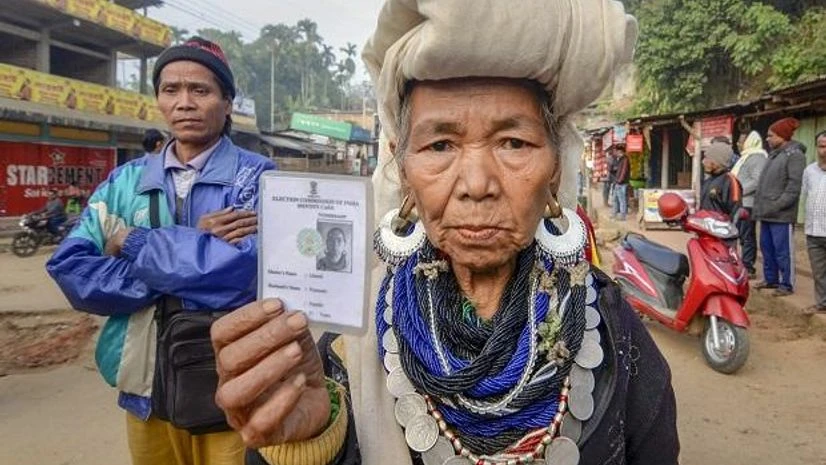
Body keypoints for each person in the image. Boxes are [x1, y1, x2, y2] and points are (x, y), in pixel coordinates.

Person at [211, 2, 679, 465]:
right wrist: (313, 440)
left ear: (554, 168)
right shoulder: (349, 339)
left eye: (513, 143)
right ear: (403, 168)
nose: (476, 185)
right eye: (440, 145)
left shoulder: (609, 323)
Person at [46, 37, 275, 465]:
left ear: (227, 103)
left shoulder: (257, 178)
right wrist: (185, 255)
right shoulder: (124, 182)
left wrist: (133, 243)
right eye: (171, 90)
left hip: (232, 386)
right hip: (143, 390)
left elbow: (245, 270)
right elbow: (71, 268)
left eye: (200, 90)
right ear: (158, 100)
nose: (184, 102)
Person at [753, 117, 807, 297]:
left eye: (771, 136)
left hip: (781, 215)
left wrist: (777, 205)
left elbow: (793, 188)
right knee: (767, 248)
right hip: (767, 213)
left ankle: (786, 283)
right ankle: (771, 279)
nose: (767, 139)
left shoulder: (795, 156)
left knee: (783, 251)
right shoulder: (774, 154)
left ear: (782, 136)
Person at [731, 131, 768, 278]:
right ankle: (740, 264)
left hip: (747, 203)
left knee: (747, 237)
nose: (738, 144)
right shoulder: (746, 157)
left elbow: (757, 181)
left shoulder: (757, 157)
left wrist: (738, 191)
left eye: (741, 141)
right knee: (739, 235)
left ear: (749, 142)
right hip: (740, 203)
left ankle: (748, 266)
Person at [802, 130, 826, 313]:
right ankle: (822, 303)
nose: (824, 150)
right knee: (818, 272)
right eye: (821, 146)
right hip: (813, 231)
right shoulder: (809, 171)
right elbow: (806, 195)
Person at [700, 141, 742, 220]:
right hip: (705, 229)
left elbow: (736, 213)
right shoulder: (708, 181)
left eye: (706, 158)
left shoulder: (730, 182)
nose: (703, 162)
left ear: (717, 161)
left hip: (720, 230)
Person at [611, 145, 630, 220]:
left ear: (620, 152)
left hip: (621, 183)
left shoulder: (625, 159)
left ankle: (623, 216)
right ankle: (614, 214)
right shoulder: (619, 159)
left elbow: (624, 171)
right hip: (617, 182)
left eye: (617, 151)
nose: (616, 153)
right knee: (615, 199)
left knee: (622, 200)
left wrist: (619, 180)